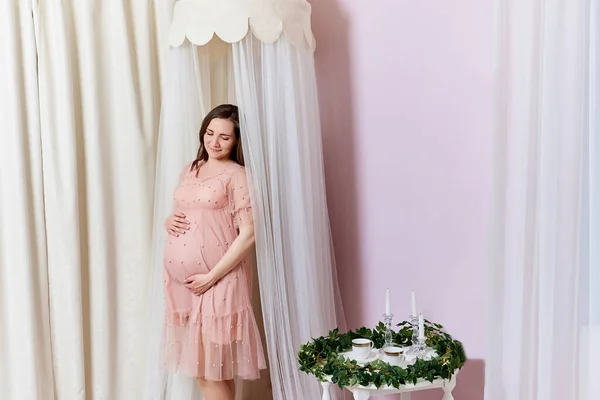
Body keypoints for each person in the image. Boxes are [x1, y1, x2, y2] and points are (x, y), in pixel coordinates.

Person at [162, 104, 266, 400]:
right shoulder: (191, 169)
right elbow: (188, 212)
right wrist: (169, 221)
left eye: (224, 137)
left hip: (219, 280)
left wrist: (211, 277)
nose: (214, 142)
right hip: (185, 287)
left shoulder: (238, 175)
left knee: (207, 371)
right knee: (213, 370)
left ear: (237, 142)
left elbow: (249, 234)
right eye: (209, 133)